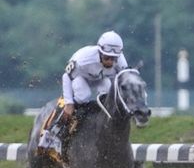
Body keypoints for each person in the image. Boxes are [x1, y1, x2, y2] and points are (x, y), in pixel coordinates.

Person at [37, 31, 128, 160]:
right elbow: (66, 77)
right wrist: (69, 104)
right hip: (80, 77)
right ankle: (51, 135)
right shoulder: (83, 60)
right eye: (107, 58)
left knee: (107, 91)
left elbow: (123, 81)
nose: (110, 62)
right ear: (100, 52)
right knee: (83, 95)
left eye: (113, 59)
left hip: (102, 78)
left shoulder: (121, 62)